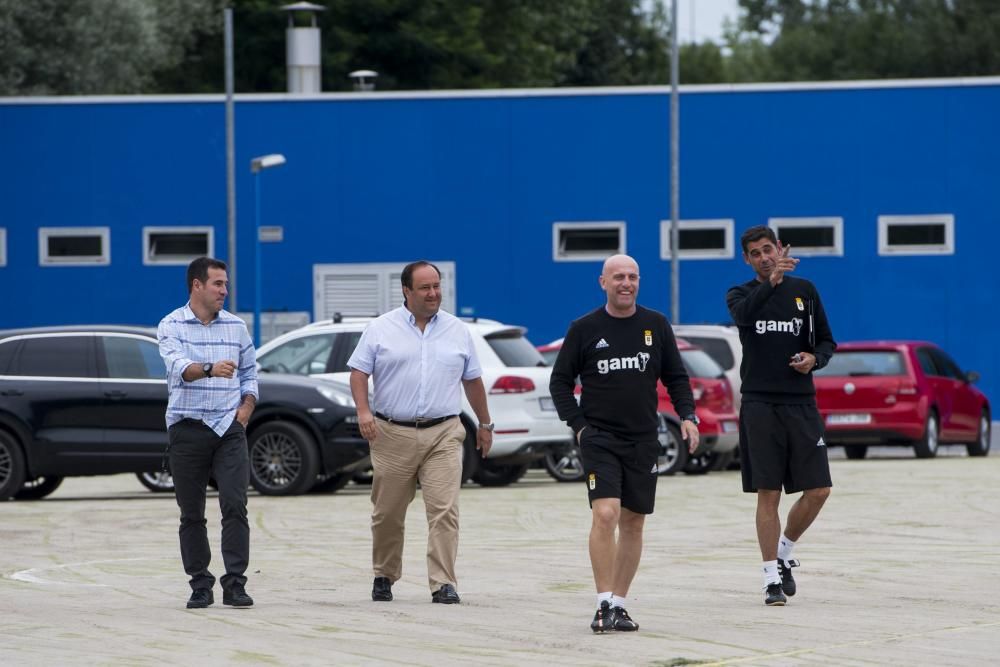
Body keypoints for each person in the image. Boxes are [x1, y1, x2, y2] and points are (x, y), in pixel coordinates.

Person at [550, 254, 700, 633]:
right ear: (603, 282)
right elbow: (560, 383)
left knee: (633, 522)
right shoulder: (584, 328)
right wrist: (579, 426)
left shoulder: (655, 325)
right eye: (618, 277)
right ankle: (602, 604)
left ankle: (619, 604)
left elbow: (676, 378)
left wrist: (687, 416)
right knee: (606, 514)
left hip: (644, 439)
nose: (626, 283)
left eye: (632, 277)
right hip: (599, 437)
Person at [347, 260, 493, 605]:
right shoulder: (381, 328)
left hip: (443, 432)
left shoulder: (457, 330)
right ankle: (384, 573)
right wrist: (364, 411)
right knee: (387, 513)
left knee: (444, 510)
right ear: (406, 291)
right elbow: (358, 372)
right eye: (425, 288)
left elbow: (472, 380)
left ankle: (443, 582)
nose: (433, 294)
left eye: (437, 286)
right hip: (391, 434)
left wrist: (485, 423)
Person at [726, 225, 836, 606]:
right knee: (768, 492)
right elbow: (744, 316)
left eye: (767, 249)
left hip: (801, 402)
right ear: (747, 259)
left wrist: (814, 359)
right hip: (759, 403)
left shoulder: (805, 291)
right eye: (755, 253)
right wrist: (769, 284)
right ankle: (770, 576)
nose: (763, 257)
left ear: (779, 248)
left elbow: (826, 340)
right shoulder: (740, 294)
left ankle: (785, 552)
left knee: (820, 489)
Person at [157, 256, 258, 609]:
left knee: (235, 503)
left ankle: (236, 583)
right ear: (197, 285)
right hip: (187, 428)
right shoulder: (171, 325)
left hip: (228, 429)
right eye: (218, 284)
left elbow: (251, 374)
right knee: (191, 512)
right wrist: (211, 369)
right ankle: (200, 583)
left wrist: (244, 411)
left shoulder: (236, 327)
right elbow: (180, 370)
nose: (224, 291)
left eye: (226, 284)